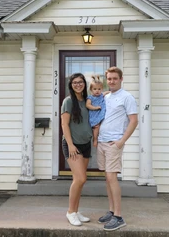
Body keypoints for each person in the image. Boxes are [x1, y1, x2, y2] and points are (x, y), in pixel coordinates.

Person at [97, 67, 138, 231]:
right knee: (108, 178)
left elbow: (134, 121)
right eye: (109, 78)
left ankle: (119, 216)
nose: (112, 81)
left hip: (114, 143)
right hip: (102, 141)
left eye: (115, 78)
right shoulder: (107, 96)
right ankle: (112, 210)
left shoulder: (127, 97)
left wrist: (121, 141)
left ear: (121, 79)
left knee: (112, 178)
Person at [61, 73, 93, 226]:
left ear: (84, 84)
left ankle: (76, 210)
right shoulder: (68, 101)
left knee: (79, 181)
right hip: (72, 145)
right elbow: (64, 125)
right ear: (71, 85)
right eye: (74, 82)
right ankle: (70, 212)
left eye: (80, 82)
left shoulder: (87, 101)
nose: (78, 85)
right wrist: (71, 144)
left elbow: (102, 95)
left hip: (86, 144)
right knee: (80, 178)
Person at [86, 76, 106, 147]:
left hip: (100, 114)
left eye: (99, 89)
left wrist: (111, 92)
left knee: (101, 126)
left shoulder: (101, 95)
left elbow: (106, 92)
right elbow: (88, 105)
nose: (97, 91)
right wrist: (95, 107)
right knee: (96, 127)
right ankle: (95, 139)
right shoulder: (90, 98)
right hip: (94, 115)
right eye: (95, 89)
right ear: (91, 90)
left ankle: (100, 139)